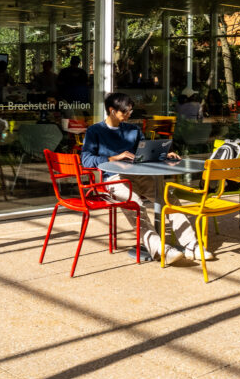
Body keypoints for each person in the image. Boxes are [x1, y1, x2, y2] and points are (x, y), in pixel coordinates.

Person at [81, 92, 211, 263]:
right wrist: (113, 158)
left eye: (130, 111)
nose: (129, 114)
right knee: (135, 205)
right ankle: (160, 249)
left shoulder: (133, 130)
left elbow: (145, 153)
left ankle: (191, 245)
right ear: (112, 111)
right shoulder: (95, 131)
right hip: (114, 179)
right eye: (125, 111)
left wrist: (164, 155)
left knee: (169, 199)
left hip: (139, 175)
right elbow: (86, 160)